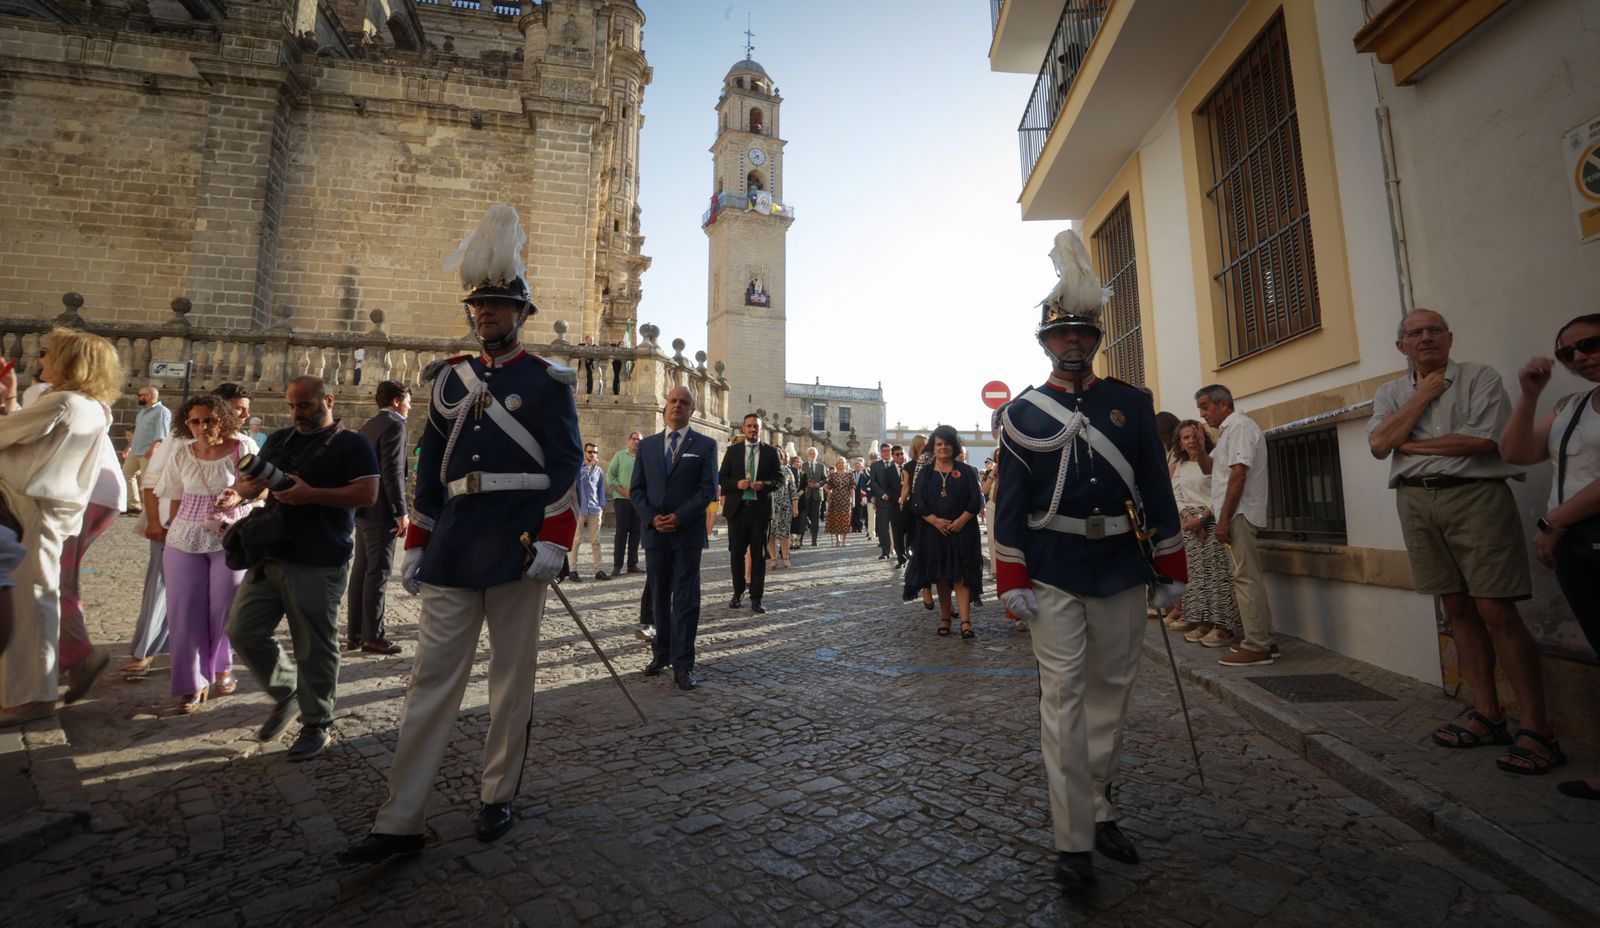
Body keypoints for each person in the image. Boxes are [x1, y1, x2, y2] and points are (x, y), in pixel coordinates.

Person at [343, 204, 581, 863]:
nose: (487, 316)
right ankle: (401, 817)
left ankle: (498, 791)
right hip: (453, 544)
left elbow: (564, 465)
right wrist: (418, 543)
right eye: (479, 308)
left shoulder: (546, 381)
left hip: (517, 546)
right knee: (429, 683)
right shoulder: (449, 377)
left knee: (511, 683)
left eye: (500, 307)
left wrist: (556, 537)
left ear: (520, 313)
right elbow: (427, 467)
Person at [993, 230, 1186, 893]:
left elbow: (1157, 490)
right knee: (1063, 700)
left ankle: (1098, 803)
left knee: (1111, 696)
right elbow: (1010, 507)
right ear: (1044, 344)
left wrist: (1171, 569)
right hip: (1053, 568)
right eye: (1059, 337)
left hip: (1123, 567)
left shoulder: (1130, 404)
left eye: (1081, 334)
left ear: (1095, 338)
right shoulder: (1022, 413)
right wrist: (1012, 578)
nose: (1071, 344)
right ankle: (1073, 843)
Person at [1367, 308, 1559, 774]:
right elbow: (1377, 445)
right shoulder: (1390, 391)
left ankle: (1537, 730)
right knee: (1456, 607)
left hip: (1475, 496)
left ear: (1450, 338)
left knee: (1496, 609)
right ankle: (1488, 715)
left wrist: (1407, 444)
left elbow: (1482, 441)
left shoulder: (1479, 377)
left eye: (1435, 330)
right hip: (1416, 501)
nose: (1426, 337)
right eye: (1416, 333)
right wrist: (1422, 397)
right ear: (1402, 347)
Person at [226, 376, 379, 760]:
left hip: (320, 558)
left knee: (314, 645)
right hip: (271, 552)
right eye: (292, 406)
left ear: (328, 400)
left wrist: (311, 494)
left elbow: (367, 494)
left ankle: (317, 723)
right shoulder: (280, 439)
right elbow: (254, 489)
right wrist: (247, 486)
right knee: (243, 630)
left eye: (305, 405)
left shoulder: (352, 444)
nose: (297, 413)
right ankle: (288, 692)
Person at [0, 328, 123, 727]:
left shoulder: (64, 403)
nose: (41, 361)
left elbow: (7, 435)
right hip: (44, 508)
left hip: (28, 506)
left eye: (49, 354)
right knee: (37, 596)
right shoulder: (92, 406)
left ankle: (32, 696)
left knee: (29, 602)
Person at [1500, 312, 1598, 798]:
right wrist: (1531, 393)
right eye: (1569, 353)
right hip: (1578, 544)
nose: (1581, 357)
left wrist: (1550, 522)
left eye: (1592, 344)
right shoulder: (1573, 405)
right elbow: (1515, 452)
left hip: (1575, 531)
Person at [157, 394, 257, 712]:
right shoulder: (181, 454)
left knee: (225, 607)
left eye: (209, 420)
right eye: (195, 421)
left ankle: (222, 666)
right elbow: (173, 495)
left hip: (231, 536)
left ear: (223, 419)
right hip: (184, 537)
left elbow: (262, 489)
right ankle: (192, 684)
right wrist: (170, 529)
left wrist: (239, 499)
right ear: (186, 425)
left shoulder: (243, 448)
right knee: (184, 611)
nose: (202, 427)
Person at [633, 386, 717, 690]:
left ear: (692, 410)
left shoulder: (705, 445)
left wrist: (680, 516)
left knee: (685, 599)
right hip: (655, 534)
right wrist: (651, 518)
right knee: (658, 598)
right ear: (664, 407)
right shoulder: (648, 446)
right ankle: (661, 654)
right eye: (673, 400)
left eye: (684, 402)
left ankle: (683, 664)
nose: (677, 405)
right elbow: (637, 490)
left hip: (687, 535)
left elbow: (707, 490)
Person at [1196, 384, 1279, 666]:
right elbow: (1211, 470)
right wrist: (1198, 447)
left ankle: (1257, 646)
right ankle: (1265, 639)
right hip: (1233, 513)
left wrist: (1222, 520)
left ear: (1223, 404)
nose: (1202, 413)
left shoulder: (1240, 427)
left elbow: (1238, 475)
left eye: (1205, 406)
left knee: (1244, 578)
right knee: (1246, 576)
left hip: (1238, 514)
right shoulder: (1227, 433)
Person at [348, 380, 411, 655]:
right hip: (383, 511)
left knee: (361, 571)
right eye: (408, 400)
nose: (410, 406)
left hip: (364, 509)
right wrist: (401, 511)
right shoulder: (395, 425)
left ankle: (356, 634)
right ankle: (373, 636)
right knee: (379, 572)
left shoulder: (370, 424)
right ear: (397, 400)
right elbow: (392, 472)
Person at [1167, 420, 1239, 648]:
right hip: (1189, 524)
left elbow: (1220, 490)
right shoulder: (1179, 465)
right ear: (1179, 442)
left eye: (1194, 437)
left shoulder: (1213, 461)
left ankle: (1222, 627)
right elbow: (1176, 495)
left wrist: (1203, 518)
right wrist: (1188, 517)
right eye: (1185, 438)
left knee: (1218, 576)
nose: (1191, 441)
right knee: (1197, 578)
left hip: (1212, 521)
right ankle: (1203, 622)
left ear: (1203, 438)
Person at [907, 426, 984, 637]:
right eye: (939, 444)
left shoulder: (966, 471)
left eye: (947, 444)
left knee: (961, 576)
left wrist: (961, 521)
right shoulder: (925, 472)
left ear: (954, 446)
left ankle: (966, 622)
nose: (943, 448)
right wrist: (935, 521)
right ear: (933, 447)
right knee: (941, 576)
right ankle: (945, 617)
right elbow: (918, 502)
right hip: (934, 533)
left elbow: (976, 501)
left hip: (963, 532)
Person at [720, 413, 781, 613]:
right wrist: (736, 484)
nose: (752, 429)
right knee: (736, 554)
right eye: (749, 426)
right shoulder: (733, 451)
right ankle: (738, 592)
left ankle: (757, 597)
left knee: (758, 555)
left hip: (760, 511)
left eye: (756, 426)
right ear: (743, 429)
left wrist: (763, 484)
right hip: (738, 510)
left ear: (760, 429)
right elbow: (722, 478)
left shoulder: (771, 453)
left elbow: (779, 481)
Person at [121, 384, 171, 514]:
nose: (138, 397)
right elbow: (137, 433)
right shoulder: (142, 412)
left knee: (147, 482)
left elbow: (162, 433)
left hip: (149, 452)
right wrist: (128, 447)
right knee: (126, 475)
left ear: (149, 396)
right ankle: (134, 505)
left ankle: (147, 509)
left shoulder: (162, 411)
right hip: (135, 451)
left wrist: (152, 449)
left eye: (140, 395)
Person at [569, 442, 609, 581]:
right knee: (576, 540)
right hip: (580, 509)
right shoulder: (578, 469)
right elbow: (580, 480)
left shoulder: (599, 471)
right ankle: (573, 570)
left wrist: (601, 506)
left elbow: (600, 489)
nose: (593, 454)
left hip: (594, 509)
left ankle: (599, 570)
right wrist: (590, 465)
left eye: (595, 452)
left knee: (596, 541)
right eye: (590, 452)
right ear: (585, 453)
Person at [607, 431, 643, 577]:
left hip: (639, 500)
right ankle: (617, 565)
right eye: (634, 439)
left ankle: (632, 564)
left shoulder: (644, 458)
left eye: (639, 440)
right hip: (622, 500)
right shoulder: (620, 456)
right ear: (629, 440)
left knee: (636, 533)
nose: (636, 442)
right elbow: (610, 476)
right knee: (621, 533)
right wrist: (623, 491)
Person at [767, 451, 798, 570]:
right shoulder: (766, 470)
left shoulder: (787, 471)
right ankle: (773, 560)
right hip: (770, 506)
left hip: (785, 506)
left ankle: (786, 559)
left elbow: (793, 490)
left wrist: (795, 507)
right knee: (771, 534)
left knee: (785, 533)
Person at [823, 458, 855, 546]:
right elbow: (827, 486)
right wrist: (829, 493)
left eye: (843, 463)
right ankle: (838, 539)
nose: (841, 464)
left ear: (845, 464)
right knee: (836, 519)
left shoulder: (850, 475)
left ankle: (844, 540)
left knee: (846, 519)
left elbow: (852, 488)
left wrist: (853, 499)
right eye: (839, 463)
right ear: (837, 464)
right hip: (835, 500)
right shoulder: (833, 475)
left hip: (846, 499)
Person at [800, 447, 826, 546]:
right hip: (805, 495)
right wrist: (806, 484)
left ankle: (814, 541)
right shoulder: (802, 466)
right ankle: (800, 540)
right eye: (810, 452)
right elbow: (799, 479)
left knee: (815, 519)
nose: (812, 454)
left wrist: (817, 485)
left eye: (814, 453)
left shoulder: (821, 466)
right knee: (803, 518)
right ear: (807, 454)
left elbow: (824, 479)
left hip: (817, 495)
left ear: (816, 454)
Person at [787, 454, 807, 546]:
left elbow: (805, 486)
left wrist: (798, 494)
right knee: (791, 521)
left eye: (799, 462)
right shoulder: (788, 472)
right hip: (790, 499)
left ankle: (798, 541)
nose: (797, 463)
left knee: (799, 521)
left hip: (801, 500)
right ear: (792, 463)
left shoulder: (803, 474)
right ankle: (791, 540)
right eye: (796, 461)